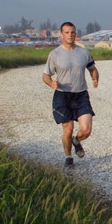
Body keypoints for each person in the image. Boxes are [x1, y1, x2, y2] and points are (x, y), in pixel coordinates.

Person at [42, 21, 100, 167]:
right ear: (61, 34)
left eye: (72, 32)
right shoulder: (55, 54)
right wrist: (51, 83)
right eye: (67, 32)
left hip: (81, 95)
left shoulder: (83, 52)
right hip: (62, 96)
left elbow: (93, 69)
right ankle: (68, 157)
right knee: (67, 130)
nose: (70, 35)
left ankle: (77, 141)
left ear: (76, 34)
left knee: (86, 130)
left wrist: (95, 78)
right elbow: (45, 75)